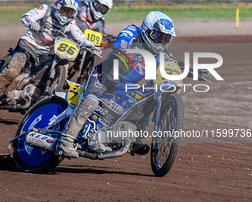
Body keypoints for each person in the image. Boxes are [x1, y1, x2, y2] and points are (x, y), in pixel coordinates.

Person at [58, 11, 194, 158]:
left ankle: (134, 138)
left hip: (123, 88)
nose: (161, 41)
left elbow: (171, 62)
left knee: (147, 98)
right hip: (104, 77)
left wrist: (193, 70)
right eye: (158, 36)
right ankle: (66, 139)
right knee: (91, 101)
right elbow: (121, 40)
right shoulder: (133, 32)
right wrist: (123, 47)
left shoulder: (162, 53)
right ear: (146, 31)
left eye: (165, 38)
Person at [0, 0, 95, 114]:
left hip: (44, 53)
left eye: (70, 12)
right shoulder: (46, 10)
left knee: (44, 73)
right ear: (58, 6)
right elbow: (26, 16)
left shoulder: (70, 23)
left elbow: (80, 36)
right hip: (27, 45)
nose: (66, 14)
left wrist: (90, 45)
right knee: (12, 71)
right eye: (64, 10)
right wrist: (31, 22)